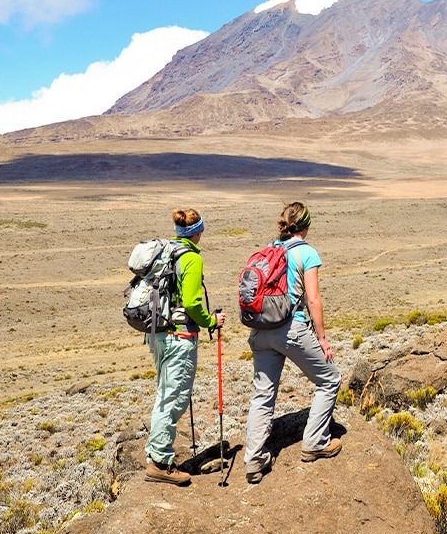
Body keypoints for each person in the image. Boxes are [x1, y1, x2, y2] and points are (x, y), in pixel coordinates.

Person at [244, 202, 342, 484]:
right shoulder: (306, 252)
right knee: (330, 380)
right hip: (291, 328)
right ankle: (315, 442)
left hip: (261, 330)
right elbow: (313, 299)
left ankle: (253, 460)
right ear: (306, 226)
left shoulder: (269, 249)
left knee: (263, 395)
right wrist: (322, 338)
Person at [144, 208, 226, 485]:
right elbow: (191, 303)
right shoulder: (190, 259)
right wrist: (211, 320)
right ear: (198, 231)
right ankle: (159, 463)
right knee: (173, 399)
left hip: (159, 335)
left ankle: (157, 456)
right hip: (180, 337)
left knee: (164, 395)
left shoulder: (166, 252)